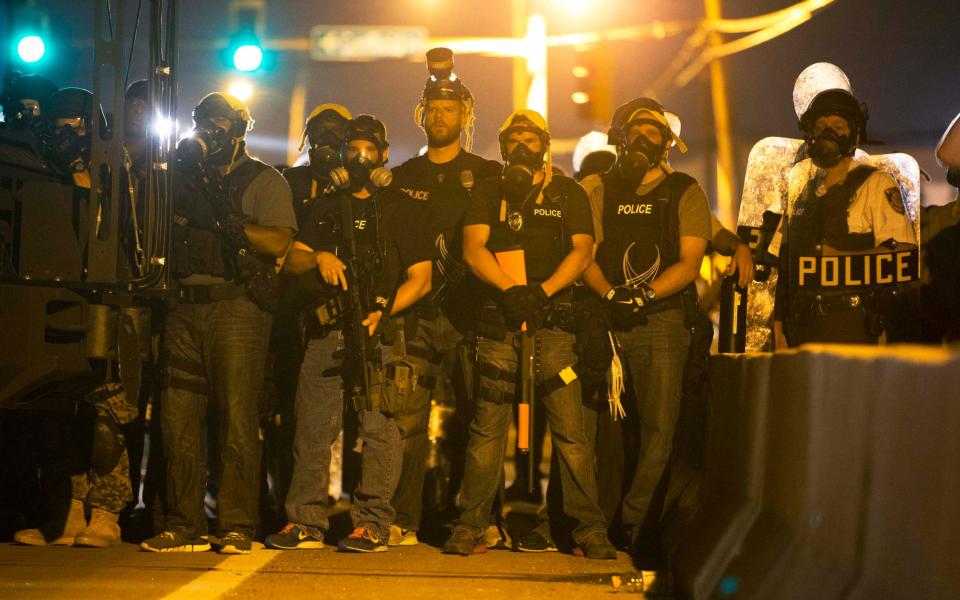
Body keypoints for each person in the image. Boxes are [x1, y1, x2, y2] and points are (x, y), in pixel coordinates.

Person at [443, 109, 616, 559]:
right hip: (500, 325)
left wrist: (542, 292)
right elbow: (472, 247)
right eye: (513, 140)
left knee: (571, 434)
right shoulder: (489, 191)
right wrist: (510, 290)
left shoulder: (568, 192)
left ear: (544, 145)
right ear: (502, 149)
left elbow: (583, 250)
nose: (522, 148)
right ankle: (472, 525)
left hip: (555, 328)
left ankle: (587, 529)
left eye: (529, 140)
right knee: (487, 431)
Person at [141, 92, 296, 554]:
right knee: (178, 420)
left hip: (237, 308)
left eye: (221, 123)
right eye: (204, 121)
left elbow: (278, 242)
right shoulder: (179, 179)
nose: (212, 130)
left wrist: (233, 225)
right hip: (183, 306)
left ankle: (235, 524)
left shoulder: (264, 181)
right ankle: (182, 523)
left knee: (235, 419)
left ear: (240, 129)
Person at [578, 97, 712, 553]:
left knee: (660, 429)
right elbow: (585, 256)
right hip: (607, 324)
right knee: (605, 432)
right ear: (619, 137)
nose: (643, 138)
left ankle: (633, 523)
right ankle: (594, 521)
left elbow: (691, 263)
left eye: (654, 132)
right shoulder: (597, 189)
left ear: (667, 144)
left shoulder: (685, 190)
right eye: (635, 130)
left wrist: (645, 294)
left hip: (662, 324)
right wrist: (609, 295)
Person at [387, 47, 502, 546]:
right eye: (432, 109)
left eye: (449, 109)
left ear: (465, 115)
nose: (440, 116)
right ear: (421, 114)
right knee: (406, 424)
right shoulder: (404, 175)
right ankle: (401, 520)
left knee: (477, 422)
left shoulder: (486, 172)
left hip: (471, 317)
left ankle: (474, 521)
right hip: (416, 316)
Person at [304, 115, 434, 553]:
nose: (360, 158)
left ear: (383, 154)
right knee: (313, 427)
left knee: (379, 428)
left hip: (382, 332)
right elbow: (294, 255)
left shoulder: (402, 208)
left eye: (368, 150)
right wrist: (319, 254)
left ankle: (373, 521)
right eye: (352, 149)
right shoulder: (327, 204)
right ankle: (304, 520)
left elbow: (421, 278)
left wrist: (383, 312)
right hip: (327, 329)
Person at [13, 88, 136, 549]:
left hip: (105, 298)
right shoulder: (35, 161)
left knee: (108, 415)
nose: (67, 132)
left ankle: (106, 513)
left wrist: (84, 176)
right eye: (60, 123)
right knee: (54, 414)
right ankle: (64, 509)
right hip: (52, 295)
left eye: (75, 124)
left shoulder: (114, 165)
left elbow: (116, 225)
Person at [771, 86, 917, 348]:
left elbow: (903, 254)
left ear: (854, 135)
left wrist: (842, 260)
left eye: (838, 126)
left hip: (853, 321)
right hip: (803, 324)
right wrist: (779, 321)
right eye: (821, 125)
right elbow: (787, 261)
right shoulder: (801, 190)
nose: (828, 133)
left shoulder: (875, 184)